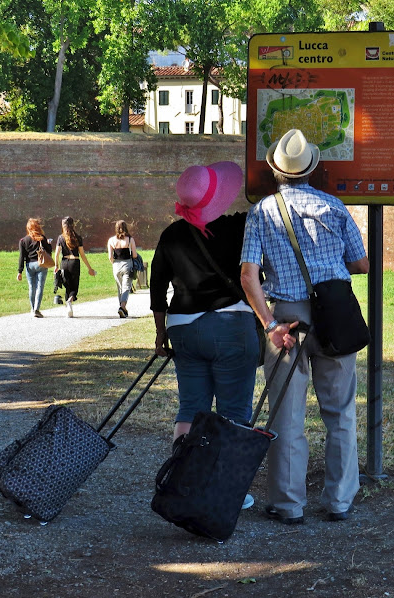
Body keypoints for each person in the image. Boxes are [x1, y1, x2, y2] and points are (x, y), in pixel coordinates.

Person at [240, 128, 370, 525]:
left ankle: (289, 504)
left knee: (286, 416)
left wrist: (269, 324)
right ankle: (340, 500)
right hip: (334, 313)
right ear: (311, 168)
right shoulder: (334, 206)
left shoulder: (262, 211)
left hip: (287, 320)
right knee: (340, 413)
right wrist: (329, 268)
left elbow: (249, 276)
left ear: (275, 170)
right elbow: (362, 264)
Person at [150, 161, 259, 510]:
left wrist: (160, 334)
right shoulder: (238, 227)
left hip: (183, 328)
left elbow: (157, 290)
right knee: (233, 412)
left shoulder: (170, 235)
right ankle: (228, 491)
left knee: (190, 409)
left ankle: (182, 480)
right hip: (231, 325)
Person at [53, 217, 96, 318]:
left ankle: (69, 308)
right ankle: (69, 301)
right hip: (74, 262)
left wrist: (56, 265)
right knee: (74, 286)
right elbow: (82, 254)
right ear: (73, 225)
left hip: (64, 262)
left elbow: (56, 253)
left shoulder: (61, 237)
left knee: (67, 285)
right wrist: (90, 268)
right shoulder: (77, 237)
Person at [17, 218, 53, 318]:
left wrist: (20, 271)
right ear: (37, 227)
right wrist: (49, 244)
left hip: (29, 265)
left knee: (31, 287)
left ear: (28, 228)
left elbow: (21, 257)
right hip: (40, 264)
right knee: (40, 286)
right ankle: (37, 309)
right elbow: (49, 251)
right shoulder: (42, 238)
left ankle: (32, 309)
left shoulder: (23, 241)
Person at [107, 220, 137, 318]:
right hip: (127, 264)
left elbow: (110, 257)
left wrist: (114, 263)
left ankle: (122, 309)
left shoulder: (111, 240)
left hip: (116, 266)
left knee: (120, 288)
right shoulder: (130, 239)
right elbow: (134, 255)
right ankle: (123, 306)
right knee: (126, 287)